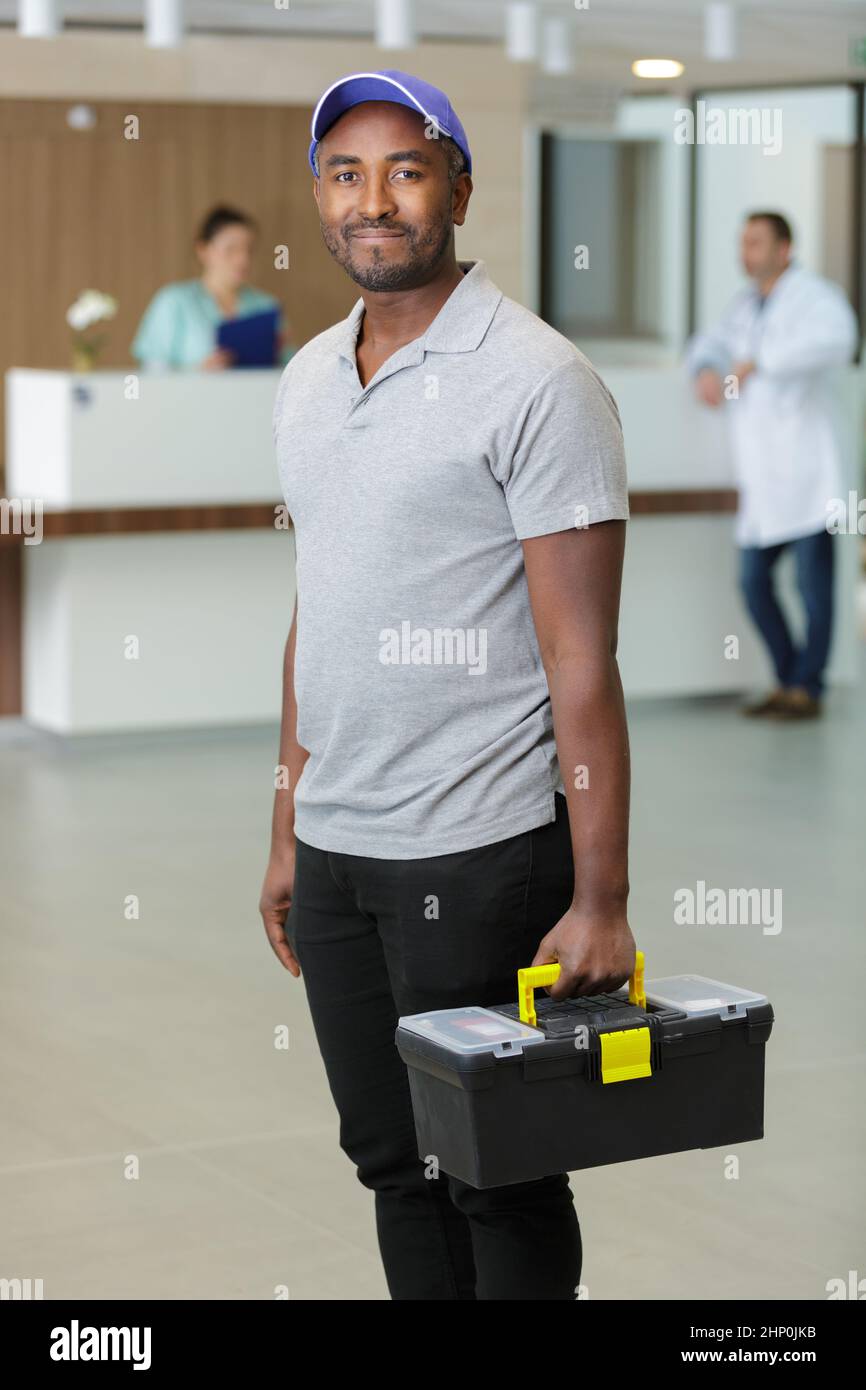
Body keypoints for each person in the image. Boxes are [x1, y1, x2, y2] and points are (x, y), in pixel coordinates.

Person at [259, 69, 634, 1301]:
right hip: (338, 847)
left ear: (457, 189)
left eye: (405, 171)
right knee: (391, 1164)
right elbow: (319, 609)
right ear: (318, 194)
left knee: (497, 1171)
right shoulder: (310, 375)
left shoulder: (537, 379)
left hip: (477, 848)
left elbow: (582, 656)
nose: (374, 201)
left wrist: (600, 896)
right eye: (345, 173)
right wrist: (285, 826)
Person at [686, 212, 858, 719]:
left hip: (809, 472)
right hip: (765, 480)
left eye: (756, 242)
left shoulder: (815, 297)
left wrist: (762, 360)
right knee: (753, 584)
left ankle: (810, 688)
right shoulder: (744, 306)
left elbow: (840, 341)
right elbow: (710, 344)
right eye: (743, 243)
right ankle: (789, 679)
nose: (746, 252)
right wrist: (705, 369)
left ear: (785, 248)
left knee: (812, 588)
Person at [131, 204, 293, 370]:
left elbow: (290, 371)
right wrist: (199, 371)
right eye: (231, 250)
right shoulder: (174, 301)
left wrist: (280, 354)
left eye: (248, 250)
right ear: (203, 250)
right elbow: (152, 370)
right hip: (192, 396)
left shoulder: (267, 305)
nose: (243, 260)